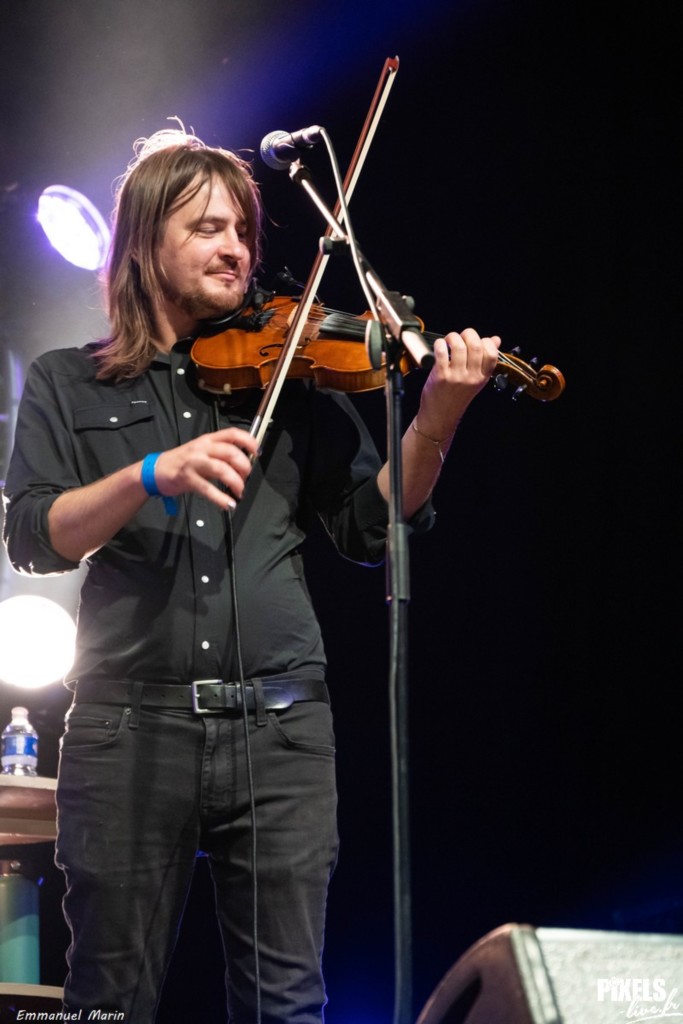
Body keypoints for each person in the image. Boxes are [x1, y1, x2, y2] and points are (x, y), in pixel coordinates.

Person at [2, 128, 500, 1023]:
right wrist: (149, 473)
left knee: (286, 1005)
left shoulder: (290, 376)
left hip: (280, 732)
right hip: (129, 727)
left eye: (242, 230)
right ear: (145, 244)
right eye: (207, 229)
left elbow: (369, 524)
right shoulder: (68, 383)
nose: (235, 248)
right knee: (106, 999)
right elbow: (36, 536)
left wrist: (435, 421)